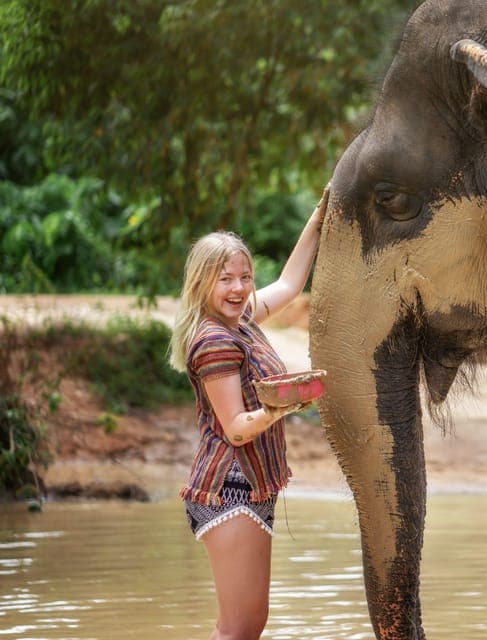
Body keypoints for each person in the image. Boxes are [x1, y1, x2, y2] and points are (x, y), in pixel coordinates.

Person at [168, 194, 325, 639]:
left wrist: (319, 216)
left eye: (245, 277)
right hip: (229, 489)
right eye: (225, 280)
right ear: (202, 283)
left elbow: (290, 284)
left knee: (247, 626)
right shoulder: (214, 340)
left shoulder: (241, 319)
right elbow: (237, 429)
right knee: (238, 629)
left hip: (248, 488)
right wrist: (280, 406)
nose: (238, 288)